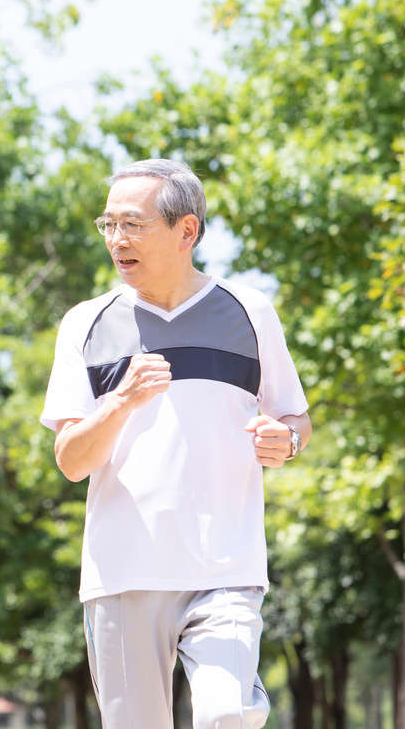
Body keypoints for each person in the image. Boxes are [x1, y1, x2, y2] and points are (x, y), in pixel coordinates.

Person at [40, 159, 312, 729]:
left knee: (228, 714)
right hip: (122, 574)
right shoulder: (85, 323)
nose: (117, 239)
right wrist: (120, 401)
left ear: (186, 231)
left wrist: (285, 439)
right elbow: (70, 460)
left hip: (226, 567)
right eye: (108, 225)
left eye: (132, 224)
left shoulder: (250, 311)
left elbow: (293, 415)